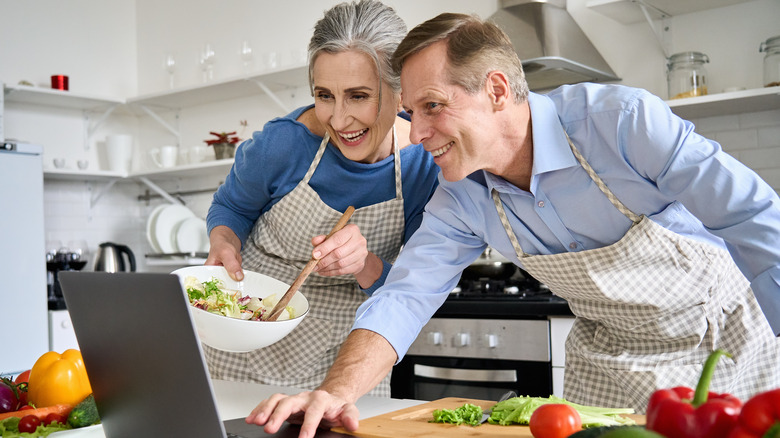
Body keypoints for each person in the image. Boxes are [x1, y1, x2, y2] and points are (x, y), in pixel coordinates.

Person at [247, 12, 780, 438]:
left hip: (722, 344)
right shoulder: (460, 196)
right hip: (610, 361)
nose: (418, 130)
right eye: (412, 112)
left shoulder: (622, 124)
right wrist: (335, 392)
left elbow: (752, 217)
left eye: (432, 106)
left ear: (497, 90)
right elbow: (405, 296)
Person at [204, 0, 439, 398]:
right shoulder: (282, 144)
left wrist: (363, 264)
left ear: (402, 93)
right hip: (245, 346)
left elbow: (410, 290)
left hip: (347, 360)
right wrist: (223, 242)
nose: (338, 118)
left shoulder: (423, 168)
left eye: (359, 96)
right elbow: (231, 207)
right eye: (324, 95)